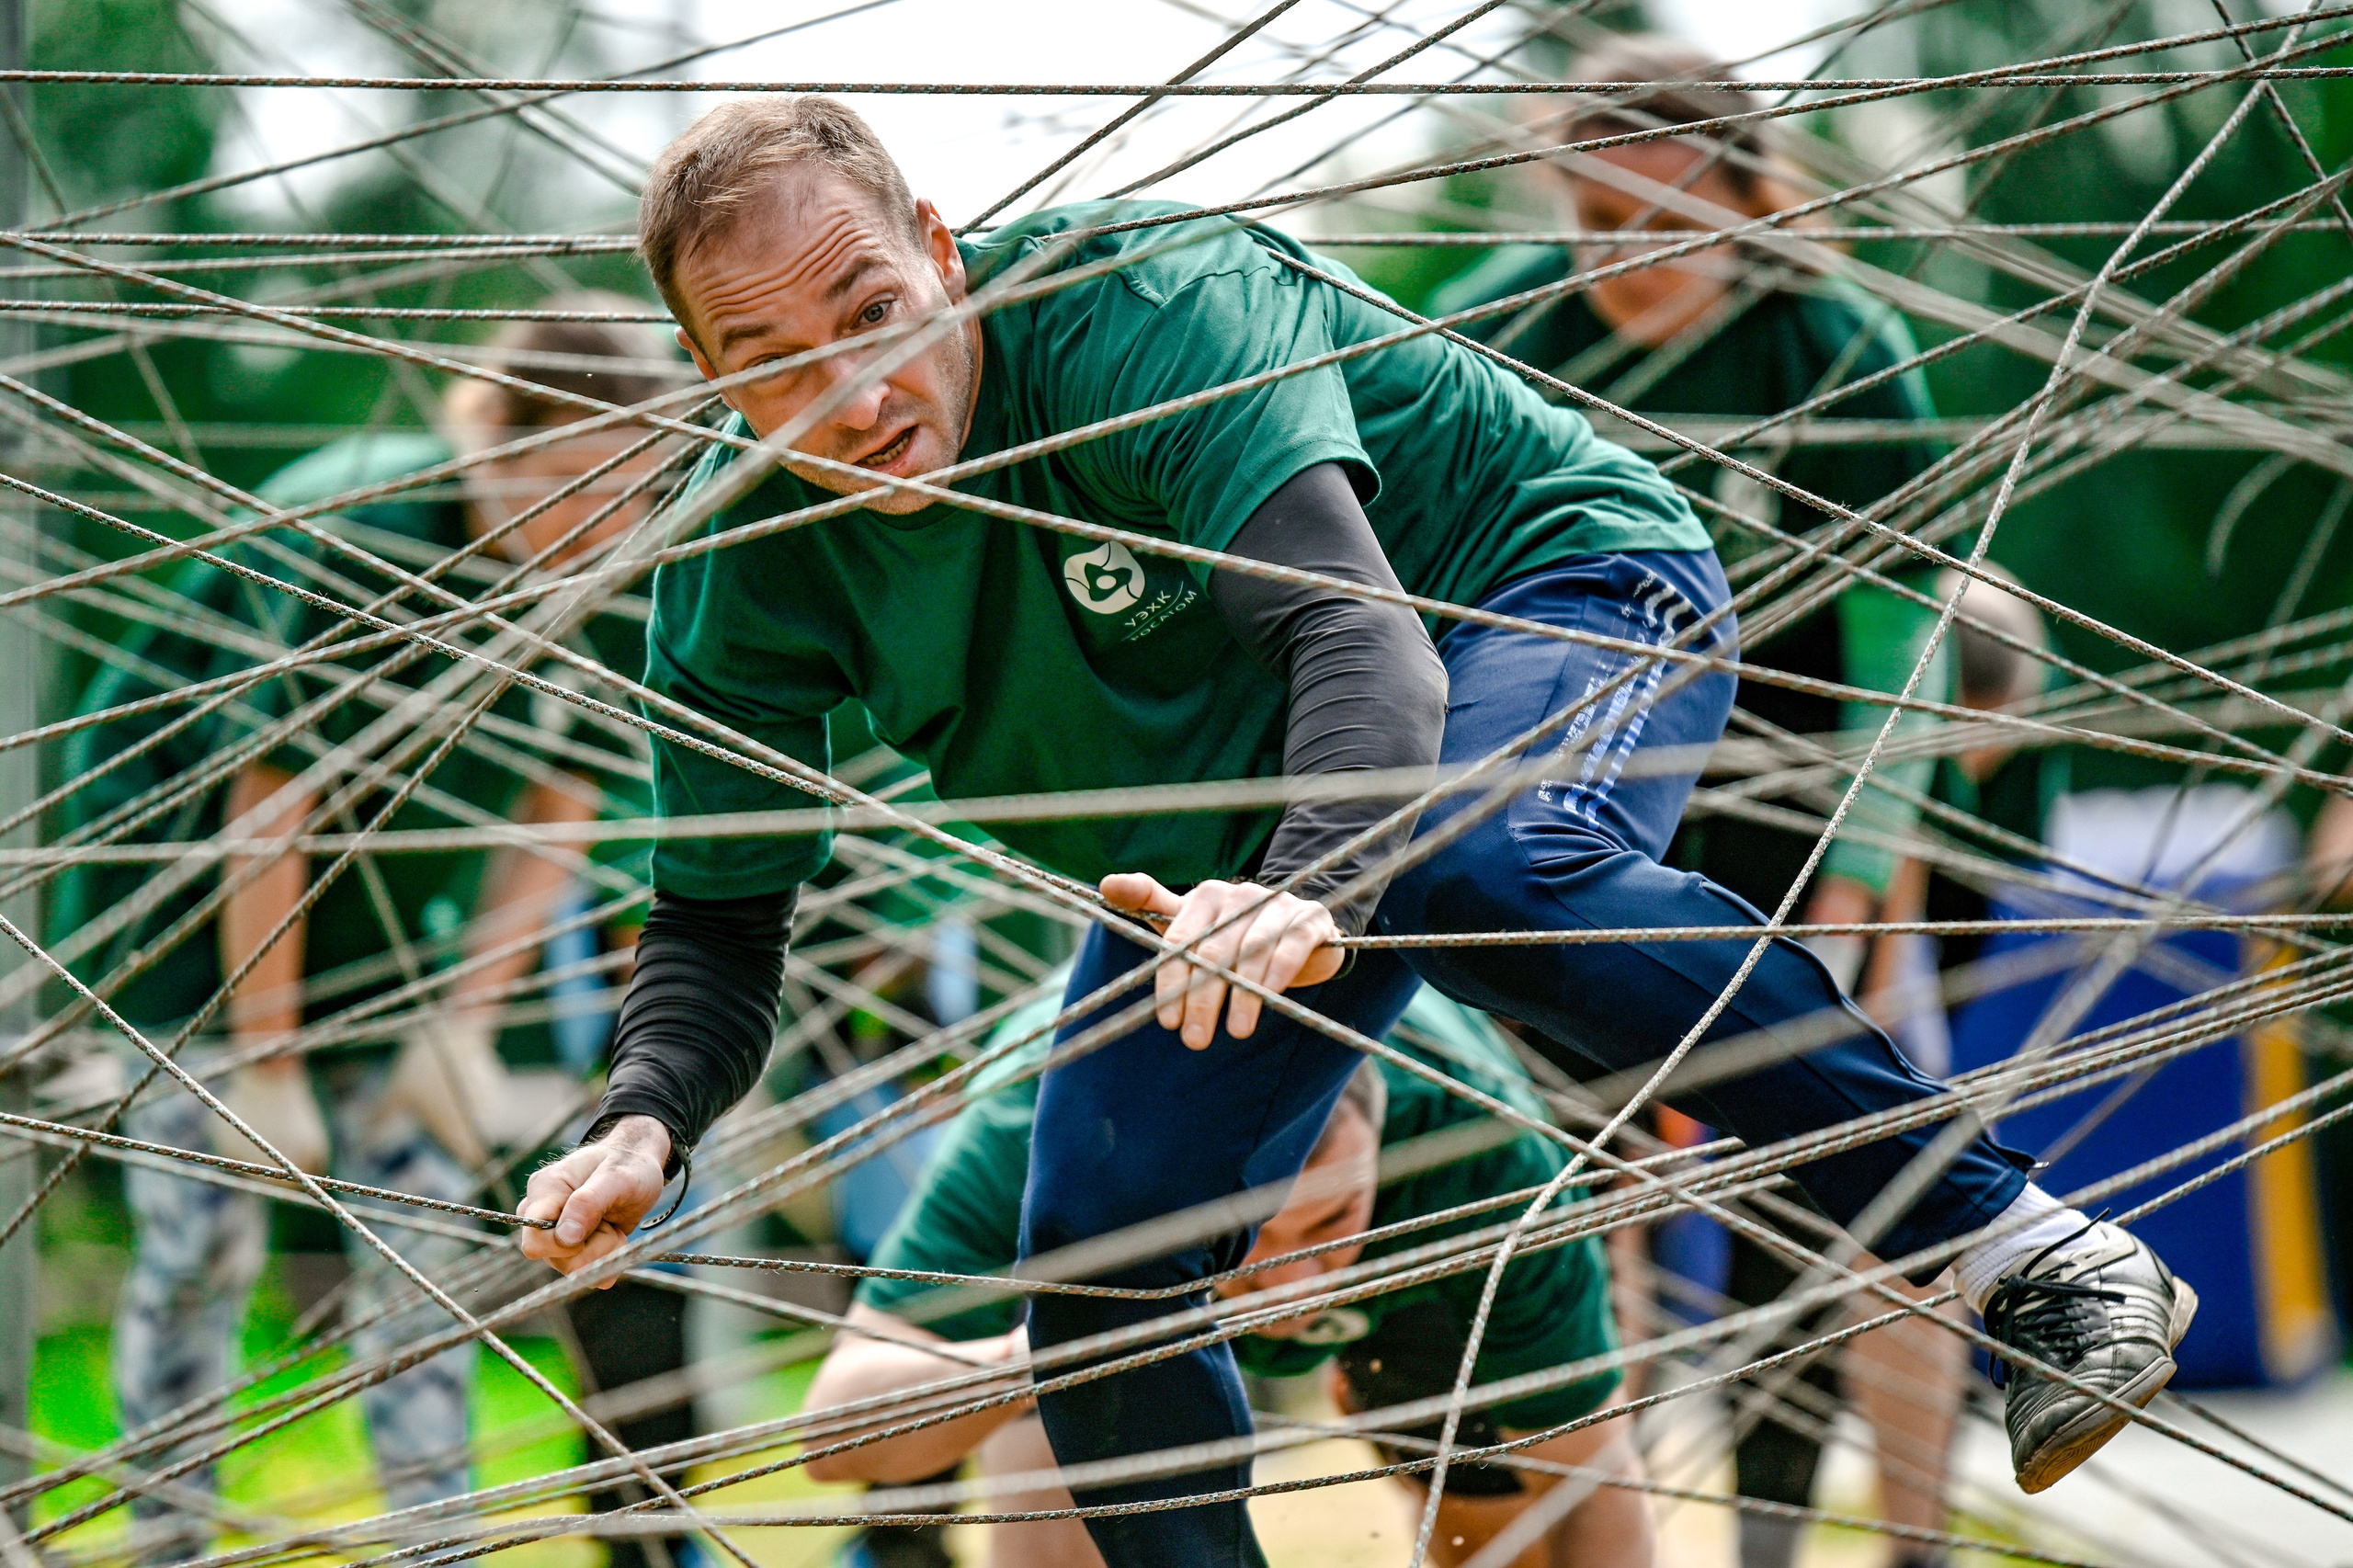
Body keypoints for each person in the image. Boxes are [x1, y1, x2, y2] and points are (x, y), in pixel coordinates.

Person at [518, 96, 2196, 1568]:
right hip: (1243, 820)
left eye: (870, 312)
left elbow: (1353, 634)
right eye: (775, 366)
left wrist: (1304, 886)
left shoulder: (1134, 302)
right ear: (707, 374)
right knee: (1098, 1260)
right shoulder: (734, 571)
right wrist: (646, 1117)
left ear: (939, 252)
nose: (856, 394)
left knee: (1480, 865)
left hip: (1538, 591)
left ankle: (2037, 1257)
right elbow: (719, 921)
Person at [1429, 42, 1972, 1568]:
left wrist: (1866, 876)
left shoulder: (1833, 343)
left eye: (1663, 222)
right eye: (1597, 222)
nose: (1627, 259)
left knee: (1864, 1187)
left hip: (1801, 829)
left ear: (1741, 199)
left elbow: (1900, 635)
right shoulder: (1496, 338)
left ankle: (1883, 1542)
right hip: (1552, 839)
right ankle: (1616, 1538)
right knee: (1577, 1198)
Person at [53, 296, 676, 1561]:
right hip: (188, 926)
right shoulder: (371, 537)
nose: (604, 519)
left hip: (391, 944)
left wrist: (462, 1028)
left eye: (634, 489)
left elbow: (562, 808)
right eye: (572, 482)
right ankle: (167, 1539)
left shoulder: (606, 561)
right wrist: (268, 1064)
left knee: (433, 1239)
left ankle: (435, 1541)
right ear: (490, 442)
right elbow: (265, 803)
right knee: (204, 1239)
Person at [801, 979, 1648, 1568]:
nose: (1293, 1286)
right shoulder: (1044, 1130)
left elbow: (1593, 1473)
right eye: (1252, 1236)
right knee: (1075, 1441)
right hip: (1129, 1282)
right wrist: (1034, 1364)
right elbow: (834, 1434)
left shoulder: (1483, 1150)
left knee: (1497, 1523)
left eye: (1328, 1224)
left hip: (1420, 1294)